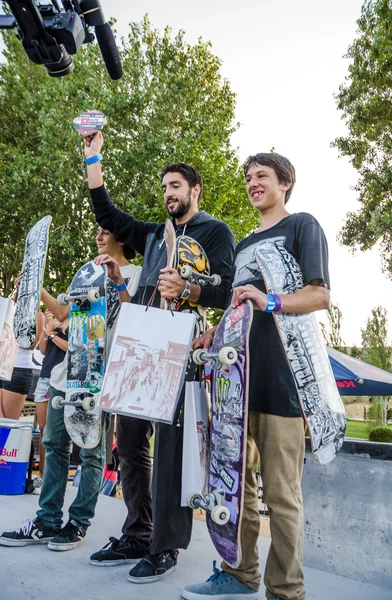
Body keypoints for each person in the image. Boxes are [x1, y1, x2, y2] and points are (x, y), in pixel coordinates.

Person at [84, 130, 235, 583]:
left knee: (169, 450)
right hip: (140, 348)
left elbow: (226, 290)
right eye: (165, 186)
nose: (169, 192)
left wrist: (189, 288)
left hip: (182, 348)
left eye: (176, 186)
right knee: (128, 441)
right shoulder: (154, 236)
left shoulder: (215, 232)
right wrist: (93, 158)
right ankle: (137, 532)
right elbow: (106, 213)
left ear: (195, 191)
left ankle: (165, 546)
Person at [183, 153, 331, 600]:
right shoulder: (246, 242)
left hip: (283, 383)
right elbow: (237, 308)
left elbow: (320, 295)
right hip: (236, 385)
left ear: (285, 182)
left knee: (281, 497)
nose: (252, 183)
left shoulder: (302, 226)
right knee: (235, 487)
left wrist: (269, 301)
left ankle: (286, 590)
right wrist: (212, 331)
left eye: (261, 176)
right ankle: (240, 573)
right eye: (248, 178)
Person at [0, 228, 141, 551]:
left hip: (100, 374)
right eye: (96, 231)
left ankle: (78, 521)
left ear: (121, 238)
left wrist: (117, 278)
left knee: (91, 450)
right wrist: (36, 290)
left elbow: (132, 314)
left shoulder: (135, 273)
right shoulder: (85, 271)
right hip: (68, 372)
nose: (98, 236)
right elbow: (62, 314)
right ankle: (46, 520)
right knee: (54, 444)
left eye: (106, 231)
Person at [32, 309, 68, 494]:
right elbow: (43, 350)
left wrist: (53, 332)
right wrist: (47, 328)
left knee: (54, 433)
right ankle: (42, 475)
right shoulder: (53, 320)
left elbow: (68, 347)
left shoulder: (72, 321)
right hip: (45, 377)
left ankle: (51, 478)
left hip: (60, 380)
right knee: (43, 429)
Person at [0, 276, 45, 420]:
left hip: (18, 369)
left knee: (6, 424)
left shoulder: (37, 315)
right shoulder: (8, 309)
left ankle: (9, 443)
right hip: (3, 366)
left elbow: (31, 344)